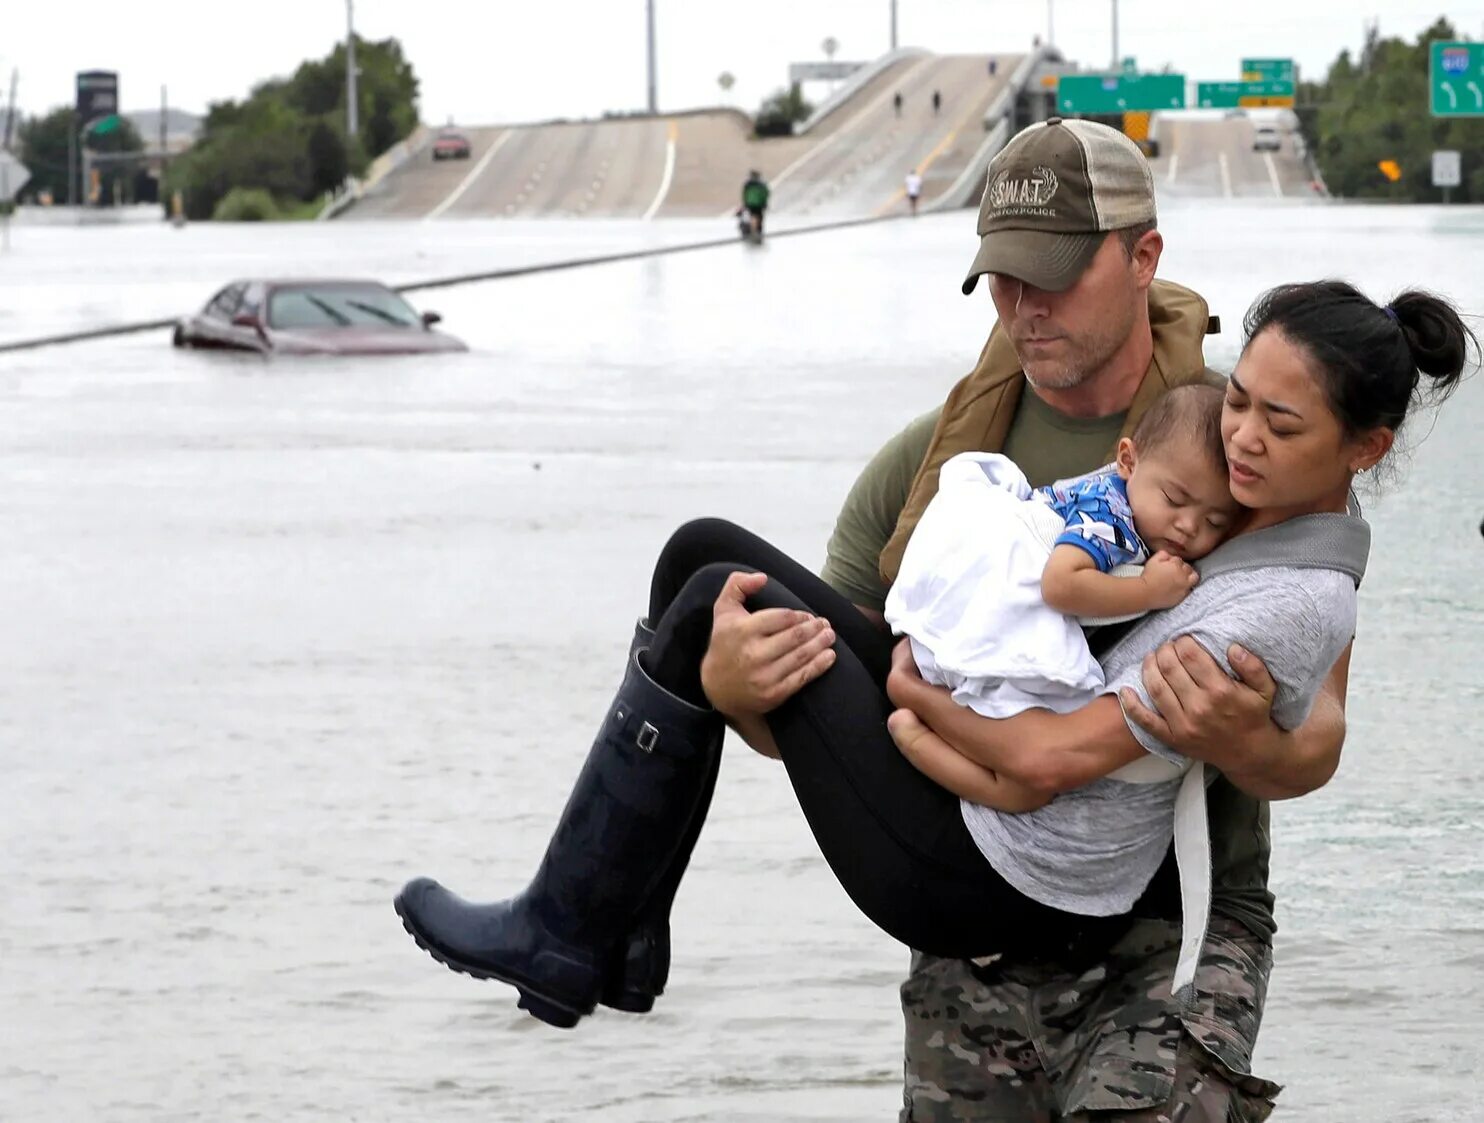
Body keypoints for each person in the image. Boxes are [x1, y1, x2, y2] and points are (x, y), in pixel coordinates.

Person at [390, 119, 1472, 1117]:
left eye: (1050, 278)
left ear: (1143, 260)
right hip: (974, 874)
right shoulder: (938, 463)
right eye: (999, 280)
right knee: (703, 570)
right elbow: (825, 717)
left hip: (1161, 909)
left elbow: (1318, 698)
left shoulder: (1231, 443)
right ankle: (589, 929)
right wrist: (725, 690)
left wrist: (1256, 744)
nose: (1021, 308)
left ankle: (578, 928)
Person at [887, 384, 1240, 803]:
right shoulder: (1110, 518)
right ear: (1128, 460)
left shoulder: (1126, 502)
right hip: (997, 602)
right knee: (1023, 791)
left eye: (1215, 522)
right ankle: (914, 738)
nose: (1188, 526)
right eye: (1174, 499)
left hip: (969, 608)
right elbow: (1061, 585)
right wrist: (1147, 590)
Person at [740, 170, 769, 240]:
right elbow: (765, 193)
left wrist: (745, 202)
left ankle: (753, 229)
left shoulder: (747, 184)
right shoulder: (762, 184)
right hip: (759, 203)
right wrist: (765, 202)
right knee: (759, 216)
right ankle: (758, 230)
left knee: (752, 215)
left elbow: (744, 194)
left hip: (750, 203)